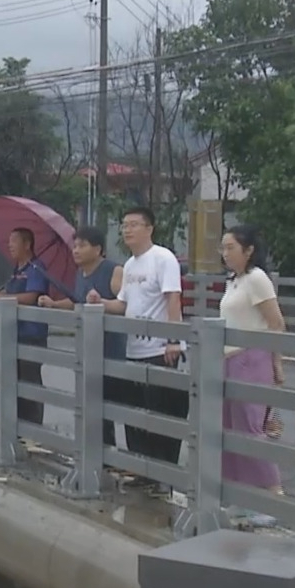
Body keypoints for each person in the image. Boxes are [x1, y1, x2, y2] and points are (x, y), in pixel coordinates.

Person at [115, 207, 187, 484]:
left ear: (149, 228)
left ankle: (163, 475)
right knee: (136, 415)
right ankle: (143, 471)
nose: (127, 230)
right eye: (124, 225)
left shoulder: (163, 258)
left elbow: (173, 299)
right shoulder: (130, 265)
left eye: (134, 224)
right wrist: (98, 303)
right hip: (134, 349)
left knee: (162, 415)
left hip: (160, 350)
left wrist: (172, 340)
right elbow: (123, 304)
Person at [40, 225, 126, 447]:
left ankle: (110, 453)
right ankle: (95, 450)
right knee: (89, 402)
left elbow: (126, 305)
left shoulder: (113, 271)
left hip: (111, 347)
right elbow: (77, 300)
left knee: (108, 403)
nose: (76, 250)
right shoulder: (80, 273)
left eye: (82, 245)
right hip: (87, 347)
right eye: (75, 245)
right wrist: (53, 304)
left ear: (98, 249)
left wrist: (101, 303)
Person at [218, 226, 286, 494]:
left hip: (251, 357)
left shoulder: (257, 279)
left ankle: (274, 492)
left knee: (251, 427)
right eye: (223, 248)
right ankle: (238, 491)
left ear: (249, 251)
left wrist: (276, 362)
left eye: (231, 247)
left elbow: (276, 322)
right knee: (228, 427)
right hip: (227, 358)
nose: (225, 253)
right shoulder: (234, 280)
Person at [0, 227, 50, 427]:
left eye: (14, 241)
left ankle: (33, 428)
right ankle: (16, 426)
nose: (10, 245)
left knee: (29, 382)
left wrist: (0, 298)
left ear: (27, 244)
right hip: (12, 333)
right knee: (12, 380)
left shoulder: (36, 268)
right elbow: (9, 291)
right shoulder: (16, 270)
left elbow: (31, 296)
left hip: (31, 333)